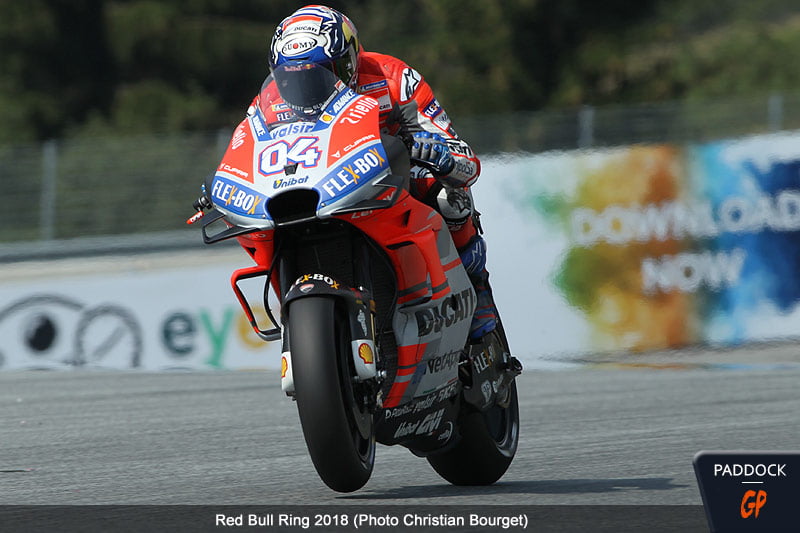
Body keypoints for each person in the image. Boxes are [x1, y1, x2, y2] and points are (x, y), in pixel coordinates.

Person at [263, 4, 497, 340]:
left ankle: (478, 285)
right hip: (319, 191)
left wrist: (440, 155)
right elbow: (249, 147)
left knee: (449, 195)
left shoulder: (394, 78)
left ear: (350, 60)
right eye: (293, 79)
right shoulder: (269, 103)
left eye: (324, 72)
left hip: (391, 184)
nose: (310, 88)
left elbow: (463, 155)